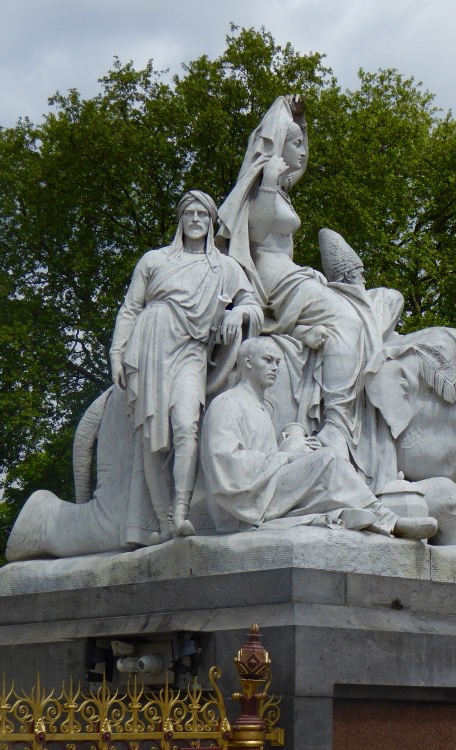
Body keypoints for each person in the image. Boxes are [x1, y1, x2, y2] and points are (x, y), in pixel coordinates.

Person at [216, 96, 381, 466]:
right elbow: (256, 232)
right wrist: (271, 179)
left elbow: (300, 163)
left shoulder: (283, 188)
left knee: (356, 308)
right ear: (278, 147)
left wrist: (301, 122)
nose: (303, 152)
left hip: (294, 276)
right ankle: (336, 425)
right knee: (348, 320)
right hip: (277, 281)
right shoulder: (264, 187)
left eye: (303, 144)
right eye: (295, 144)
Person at [109, 190, 263, 543]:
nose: (196, 220)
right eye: (189, 213)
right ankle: (164, 522)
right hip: (150, 347)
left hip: (192, 351)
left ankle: (180, 512)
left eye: (203, 215)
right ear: (180, 219)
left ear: (211, 222)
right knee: (151, 437)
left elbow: (253, 305)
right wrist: (117, 353)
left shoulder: (224, 267)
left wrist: (237, 312)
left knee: (186, 425)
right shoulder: (154, 261)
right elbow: (130, 309)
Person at [201, 336, 437, 540]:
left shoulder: (263, 409)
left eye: (278, 362)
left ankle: (377, 520)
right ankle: (389, 520)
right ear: (248, 362)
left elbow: (267, 459)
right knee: (328, 460)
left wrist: (293, 452)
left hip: (265, 490)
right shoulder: (227, 403)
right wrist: (285, 456)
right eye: (268, 360)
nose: (275, 367)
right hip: (244, 503)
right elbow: (225, 465)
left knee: (324, 465)